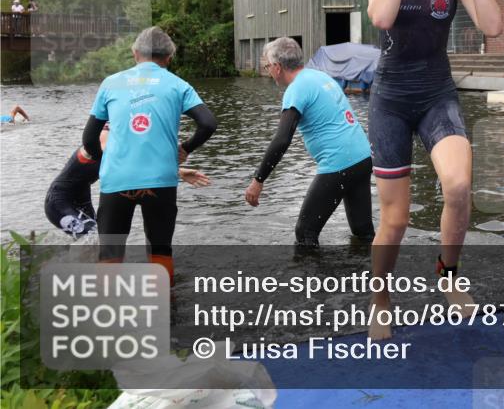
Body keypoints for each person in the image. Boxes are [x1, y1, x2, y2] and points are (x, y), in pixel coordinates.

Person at [364, 0, 502, 339]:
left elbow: (493, 26)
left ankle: (448, 276)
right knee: (396, 219)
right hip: (391, 99)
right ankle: (380, 299)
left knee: (459, 186)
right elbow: (382, 18)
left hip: (436, 93)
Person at [82, 27, 217, 283]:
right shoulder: (178, 85)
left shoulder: (111, 83)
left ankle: (107, 311)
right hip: (161, 181)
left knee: (110, 252)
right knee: (160, 250)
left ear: (135, 54)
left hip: (117, 180)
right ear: (168, 58)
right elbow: (208, 124)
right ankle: (166, 308)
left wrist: (108, 161)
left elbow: (89, 139)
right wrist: (185, 149)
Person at [245, 37, 374, 246]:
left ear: (278, 67)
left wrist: (258, 180)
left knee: (305, 233)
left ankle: (312, 279)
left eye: (268, 66)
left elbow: (282, 139)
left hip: (339, 163)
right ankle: (371, 274)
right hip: (362, 158)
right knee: (363, 231)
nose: (268, 71)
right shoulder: (320, 76)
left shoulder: (296, 89)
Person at [46, 123, 211, 239]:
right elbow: (121, 158)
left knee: (93, 242)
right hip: (59, 201)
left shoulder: (123, 141)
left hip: (81, 198)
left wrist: (177, 171)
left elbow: (133, 165)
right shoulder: (104, 135)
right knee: (95, 240)